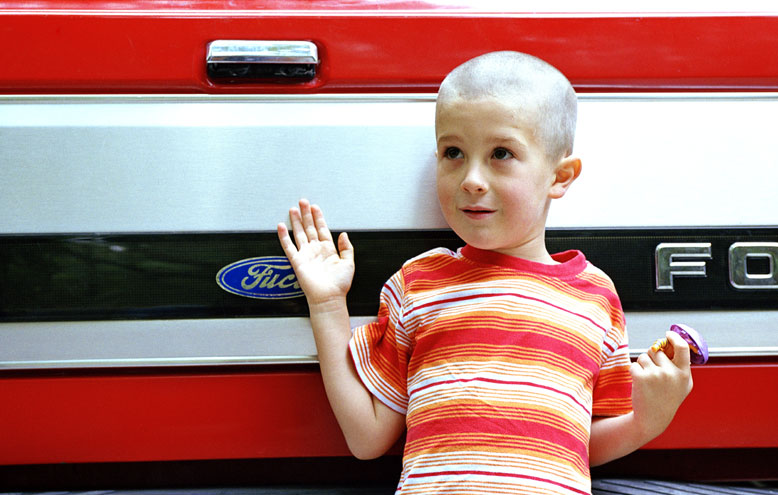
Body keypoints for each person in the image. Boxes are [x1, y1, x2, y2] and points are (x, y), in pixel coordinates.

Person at [277, 51, 693, 495]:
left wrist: (649, 420)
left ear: (560, 176)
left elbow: (577, 446)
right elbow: (367, 438)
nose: (471, 179)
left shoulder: (595, 298)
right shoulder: (417, 283)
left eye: (501, 154)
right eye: (453, 152)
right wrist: (326, 304)